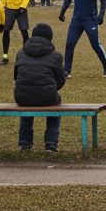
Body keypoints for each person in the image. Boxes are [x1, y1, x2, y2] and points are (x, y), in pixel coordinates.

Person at [14, 23, 66, 152]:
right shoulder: (56, 56)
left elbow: (16, 77)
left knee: (26, 101)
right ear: (50, 38)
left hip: (22, 96)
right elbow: (60, 80)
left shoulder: (21, 53)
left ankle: (25, 143)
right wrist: (50, 87)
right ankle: (51, 143)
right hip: (48, 95)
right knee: (56, 104)